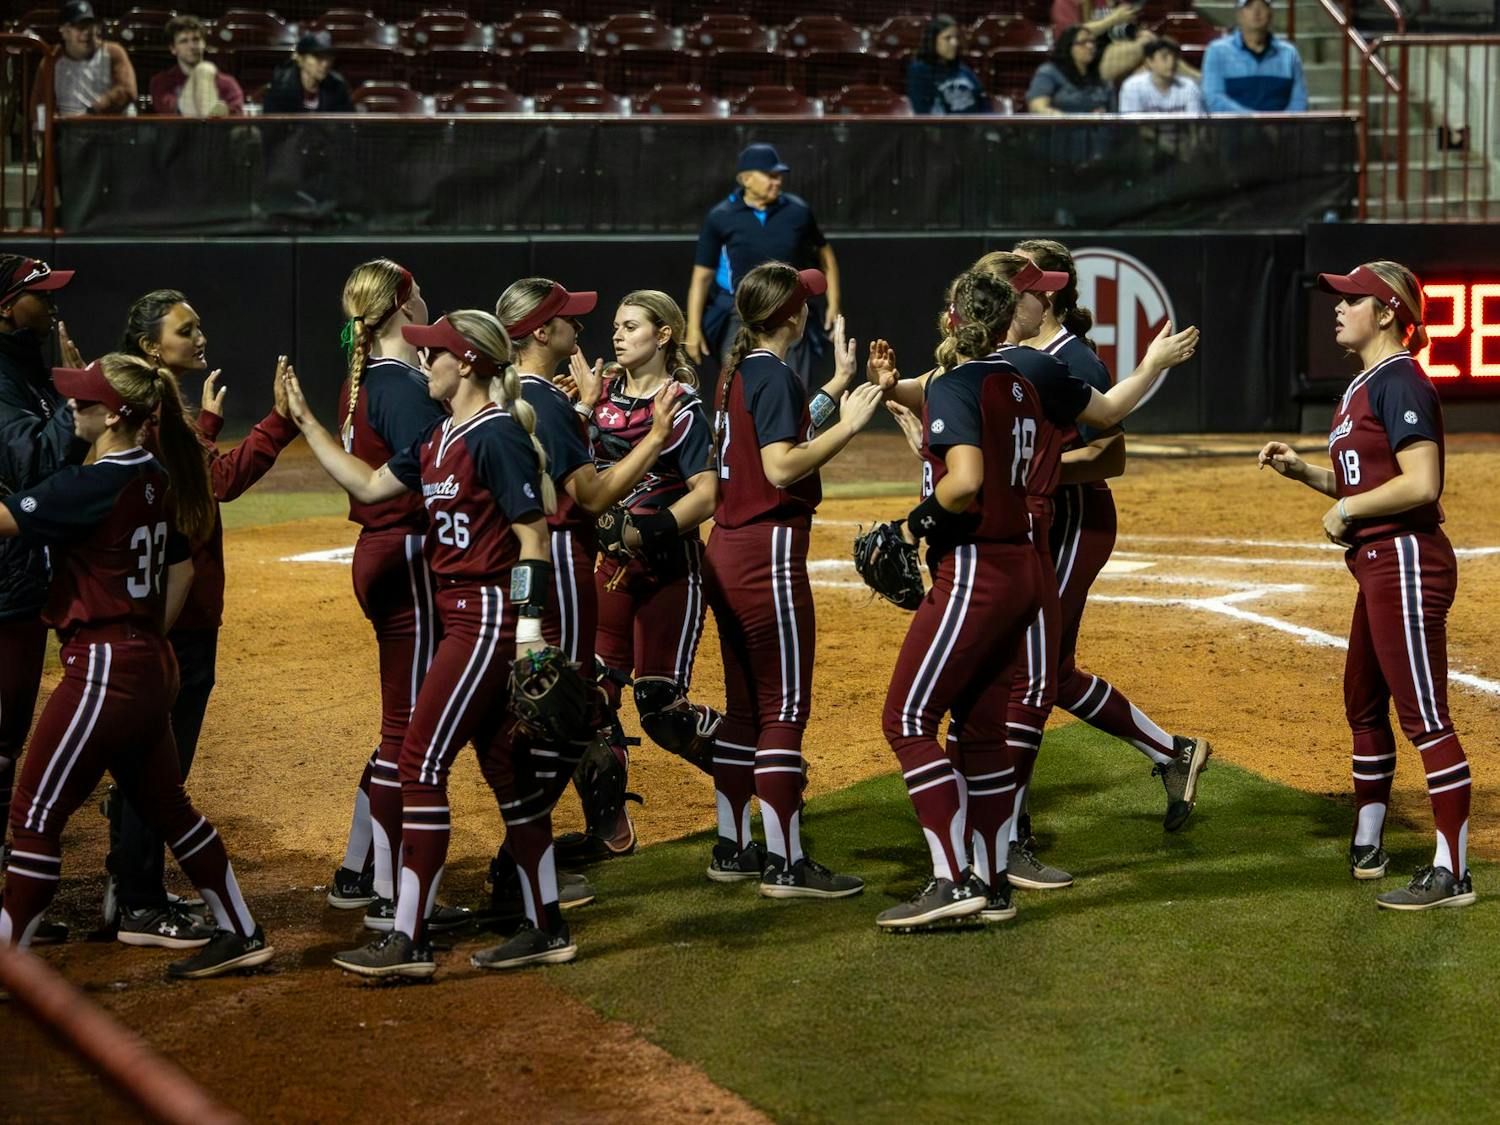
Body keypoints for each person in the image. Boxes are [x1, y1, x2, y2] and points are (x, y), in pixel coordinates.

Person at [284, 312, 603, 976]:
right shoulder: (438, 436)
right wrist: (307, 422)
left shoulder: (496, 434)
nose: (424, 362)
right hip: (459, 613)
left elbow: (533, 536)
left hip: (484, 616)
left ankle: (409, 937)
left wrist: (528, 629)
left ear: (466, 364)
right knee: (507, 776)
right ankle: (547, 927)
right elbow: (371, 485)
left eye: (435, 355)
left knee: (420, 763)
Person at [869, 254, 1201, 892]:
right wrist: (895, 389)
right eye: (1033, 293)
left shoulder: (1043, 362)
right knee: (1002, 698)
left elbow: (1105, 445)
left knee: (978, 701)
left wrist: (924, 514)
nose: (1045, 302)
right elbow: (934, 393)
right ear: (1005, 308)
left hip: (1005, 541)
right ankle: (993, 856)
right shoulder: (1018, 369)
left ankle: (984, 856)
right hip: (1021, 543)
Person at [0, 354, 273, 979]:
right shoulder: (156, 473)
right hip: (149, 660)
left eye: (85, 401)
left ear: (115, 413)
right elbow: (177, 566)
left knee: (35, 816)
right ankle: (241, 929)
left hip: (102, 667)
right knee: (170, 808)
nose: (73, 407)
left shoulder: (92, 484)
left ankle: (10, 967)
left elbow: (8, 522)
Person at [1259, 261, 1475, 912]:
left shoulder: (1400, 377)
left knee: (1424, 714)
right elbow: (1362, 481)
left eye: (1351, 298)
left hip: (1406, 558)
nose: (1337, 307)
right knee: (1362, 698)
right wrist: (1306, 474)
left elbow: (1420, 483)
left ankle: (1453, 871)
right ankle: (1370, 841)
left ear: (1386, 312)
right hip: (1380, 562)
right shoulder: (1363, 385)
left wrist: (1348, 510)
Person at [105, 291, 299, 948]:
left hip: (159, 610)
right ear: (150, 347)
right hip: (175, 619)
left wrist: (210, 425)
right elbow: (211, 485)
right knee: (157, 766)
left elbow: (193, 472)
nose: (200, 335)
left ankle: (127, 886)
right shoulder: (155, 415)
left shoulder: (154, 410)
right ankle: (138, 902)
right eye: (185, 330)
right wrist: (279, 421)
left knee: (143, 756)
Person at [1011, 238, 1212, 840]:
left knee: (1034, 668)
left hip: (1078, 519)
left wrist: (1036, 470)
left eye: (1020, 276)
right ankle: (1172, 753)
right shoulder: (1013, 349)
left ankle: (1008, 823)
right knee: (1051, 669)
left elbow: (1111, 454)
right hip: (1041, 517)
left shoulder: (1076, 359)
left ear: (1048, 292)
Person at [705, 263, 884, 896]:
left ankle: (733, 846)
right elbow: (781, 465)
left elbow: (775, 430)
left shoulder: (743, 370)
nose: (809, 308)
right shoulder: (771, 374)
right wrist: (851, 425)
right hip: (767, 555)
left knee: (744, 710)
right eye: (804, 301)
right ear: (791, 316)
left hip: (726, 548)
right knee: (782, 709)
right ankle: (787, 862)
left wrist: (834, 385)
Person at [874, 271, 1045, 930]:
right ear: (1008, 323)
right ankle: (993, 882)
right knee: (980, 731)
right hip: (1022, 567)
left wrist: (911, 525)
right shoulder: (1022, 382)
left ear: (952, 320)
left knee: (907, 719)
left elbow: (965, 481)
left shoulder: (957, 381)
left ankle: (950, 880)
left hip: (976, 566)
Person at [564, 291, 720, 862]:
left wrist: (645, 533)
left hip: (667, 571)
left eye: (631, 326)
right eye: (616, 327)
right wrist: (575, 408)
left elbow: (708, 494)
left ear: (664, 335)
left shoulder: (683, 408)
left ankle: (757, 767)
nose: (618, 335)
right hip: (609, 573)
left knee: (661, 708)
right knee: (590, 699)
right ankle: (609, 831)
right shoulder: (594, 396)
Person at [320, 260, 445, 925]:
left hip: (379, 551)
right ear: (404, 303)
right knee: (409, 732)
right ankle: (392, 893)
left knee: (402, 724)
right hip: (408, 554)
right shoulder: (400, 386)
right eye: (419, 289)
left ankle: (355, 867)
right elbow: (439, 478)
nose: (427, 298)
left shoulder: (363, 379)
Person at [0, 255, 85, 947]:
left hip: (22, 587)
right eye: (39, 298)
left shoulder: (23, 369)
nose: (51, 309)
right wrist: (76, 406)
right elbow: (33, 460)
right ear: (5, 308)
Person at [686, 144, 841, 385]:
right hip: (740, 312)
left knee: (793, 381)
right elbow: (702, 277)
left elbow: (825, 255)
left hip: (790, 309)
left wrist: (834, 303)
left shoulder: (798, 211)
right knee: (736, 381)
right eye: (770, 176)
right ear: (746, 179)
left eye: (779, 176)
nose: (777, 182)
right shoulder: (721, 215)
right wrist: (693, 329)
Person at [33, 0, 137, 118]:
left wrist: (92, 112)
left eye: (90, 25)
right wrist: (46, 126)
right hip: (67, 131)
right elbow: (40, 105)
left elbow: (127, 91)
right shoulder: (51, 60)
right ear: (64, 31)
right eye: (80, 27)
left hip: (111, 129)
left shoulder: (113, 53)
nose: (87, 32)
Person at [1201, 0, 1307, 114]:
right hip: (1234, 129)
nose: (1257, 11)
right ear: (1239, 14)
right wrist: (1254, 121)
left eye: (1263, 6)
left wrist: (1279, 124)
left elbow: (1299, 100)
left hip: (1282, 130)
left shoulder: (1289, 53)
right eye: (1250, 6)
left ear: (1271, 13)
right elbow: (1214, 99)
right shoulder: (1217, 51)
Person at [149, 15, 245, 117]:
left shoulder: (227, 83)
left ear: (204, 43)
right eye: (184, 41)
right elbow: (173, 112)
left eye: (196, 39)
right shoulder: (161, 82)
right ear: (173, 48)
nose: (191, 46)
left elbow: (236, 116)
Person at [906, 15, 991, 116]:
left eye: (956, 37)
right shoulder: (919, 71)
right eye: (948, 38)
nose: (954, 43)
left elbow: (984, 103)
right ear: (933, 41)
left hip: (976, 128)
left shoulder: (963, 69)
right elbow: (923, 112)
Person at [262, 30, 354, 114]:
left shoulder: (337, 87)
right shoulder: (280, 88)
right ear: (300, 58)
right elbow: (272, 129)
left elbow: (347, 127)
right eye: (318, 57)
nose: (325, 64)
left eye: (328, 57)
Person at [1027, 26, 1113, 115]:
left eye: (1092, 42)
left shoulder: (1101, 76)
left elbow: (1113, 113)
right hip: (1061, 126)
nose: (1090, 46)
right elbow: (1037, 108)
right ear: (1068, 46)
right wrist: (1059, 117)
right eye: (1083, 42)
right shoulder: (1049, 72)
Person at [1118, 38, 1205, 114]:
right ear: (1149, 61)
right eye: (1164, 57)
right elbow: (1131, 126)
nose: (1172, 62)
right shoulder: (1133, 87)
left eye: (1175, 57)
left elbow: (1195, 125)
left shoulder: (1189, 87)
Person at [1051, 0, 1140, 43]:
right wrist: (1113, 19)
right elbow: (1074, 33)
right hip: (1075, 59)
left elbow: (1129, 24)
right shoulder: (1065, 2)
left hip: (1111, 53)